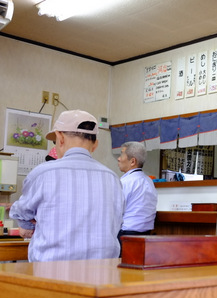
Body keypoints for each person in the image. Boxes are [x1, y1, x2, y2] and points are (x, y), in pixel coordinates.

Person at [9, 110, 124, 262]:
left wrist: (27, 227)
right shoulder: (113, 178)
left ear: (60, 138)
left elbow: (21, 212)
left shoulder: (43, 173)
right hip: (103, 273)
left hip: (51, 273)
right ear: (95, 145)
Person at [116, 141, 157, 248]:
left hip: (126, 235)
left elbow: (115, 211)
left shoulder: (126, 182)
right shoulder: (149, 181)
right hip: (146, 235)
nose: (118, 158)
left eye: (121, 154)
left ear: (132, 161)